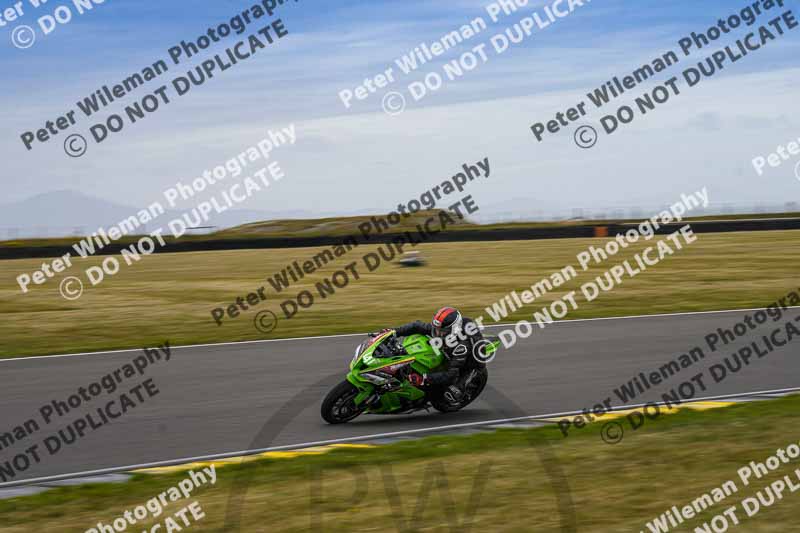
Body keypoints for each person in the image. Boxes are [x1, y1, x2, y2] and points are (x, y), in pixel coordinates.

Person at [378, 307, 484, 404]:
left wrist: (423, 378)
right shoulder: (442, 329)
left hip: (471, 362)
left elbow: (451, 374)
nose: (437, 333)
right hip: (450, 350)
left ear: (454, 330)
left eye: (442, 332)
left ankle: (461, 387)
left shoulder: (462, 347)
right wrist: (394, 331)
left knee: (452, 393)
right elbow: (417, 326)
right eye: (436, 329)